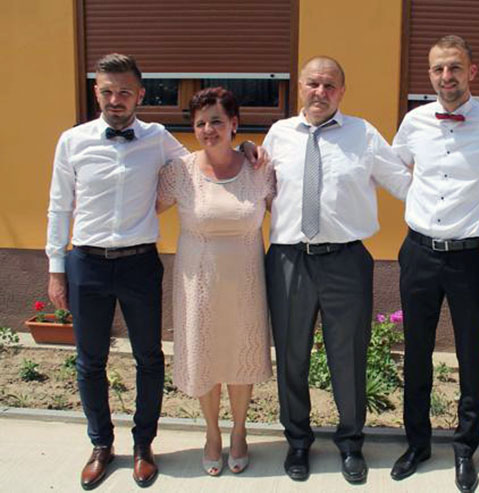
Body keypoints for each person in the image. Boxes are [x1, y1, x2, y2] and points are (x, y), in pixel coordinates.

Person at [45, 54, 262, 490]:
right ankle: (101, 445)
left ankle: (144, 446)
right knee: (90, 360)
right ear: (96, 93)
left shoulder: (159, 139)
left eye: (125, 91)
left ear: (140, 94)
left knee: (148, 358)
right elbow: (59, 206)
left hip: (140, 263)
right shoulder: (72, 141)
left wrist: (244, 147)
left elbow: (207, 160)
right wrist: (56, 268)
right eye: (108, 91)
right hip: (86, 261)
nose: (116, 99)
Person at [262, 56, 412, 484]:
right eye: (313, 83)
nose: (320, 92)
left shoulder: (363, 134)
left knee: (348, 356)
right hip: (289, 259)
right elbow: (260, 190)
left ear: (342, 92)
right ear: (300, 87)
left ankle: (350, 442)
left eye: (330, 86)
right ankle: (297, 441)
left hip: (346, 260)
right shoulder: (278, 134)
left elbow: (404, 184)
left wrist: (461, 196)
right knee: (291, 354)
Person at [390, 35, 479, 493]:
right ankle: (417, 443)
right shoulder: (414, 121)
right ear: (429, 75)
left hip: (470, 258)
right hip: (418, 253)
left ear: (472, 71)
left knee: (471, 357)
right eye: (437, 69)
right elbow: (395, 167)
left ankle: (465, 448)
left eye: (454, 68)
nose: (446, 77)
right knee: (416, 353)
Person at [156, 87, 273, 476]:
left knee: (240, 353)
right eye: (200, 123)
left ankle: (239, 431)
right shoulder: (180, 171)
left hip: (245, 282)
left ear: (234, 124)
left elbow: (285, 209)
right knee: (205, 354)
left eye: (217, 121)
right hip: (199, 283)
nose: (208, 129)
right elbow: (144, 206)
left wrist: (252, 148)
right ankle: (211, 433)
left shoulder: (258, 168)